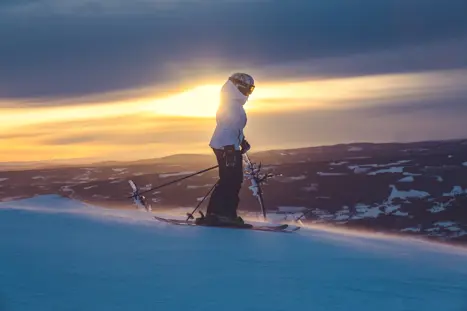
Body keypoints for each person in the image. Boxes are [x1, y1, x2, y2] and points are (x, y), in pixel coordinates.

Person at [196, 73, 255, 226]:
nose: (248, 92)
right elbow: (227, 126)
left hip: (227, 145)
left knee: (230, 180)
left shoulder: (231, 103)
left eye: (251, 89)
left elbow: (233, 127)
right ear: (236, 86)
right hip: (226, 146)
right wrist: (230, 149)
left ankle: (217, 213)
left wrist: (242, 141)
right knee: (232, 181)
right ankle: (224, 215)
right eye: (246, 88)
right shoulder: (230, 104)